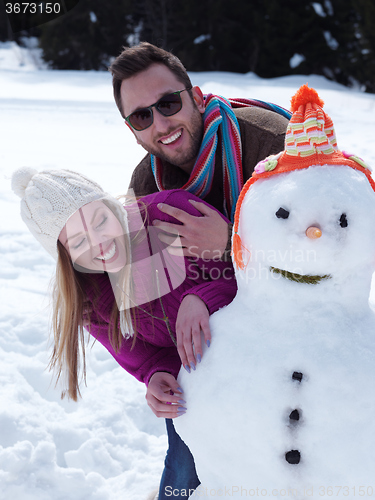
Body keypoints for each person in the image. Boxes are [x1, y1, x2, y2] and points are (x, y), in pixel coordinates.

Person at [11, 167, 237, 499]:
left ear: (111, 204)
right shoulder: (88, 295)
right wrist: (157, 374)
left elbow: (257, 277)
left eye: (100, 220)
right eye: (78, 241)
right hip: (200, 385)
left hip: (260, 358)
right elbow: (142, 355)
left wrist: (201, 296)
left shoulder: (170, 217)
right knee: (184, 468)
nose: (100, 242)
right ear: (65, 256)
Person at [108, 41, 290, 263]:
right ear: (133, 132)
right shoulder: (146, 184)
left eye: (168, 103)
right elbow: (140, 273)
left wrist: (230, 243)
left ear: (196, 99)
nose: (162, 126)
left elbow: (325, 245)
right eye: (142, 117)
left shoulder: (272, 143)